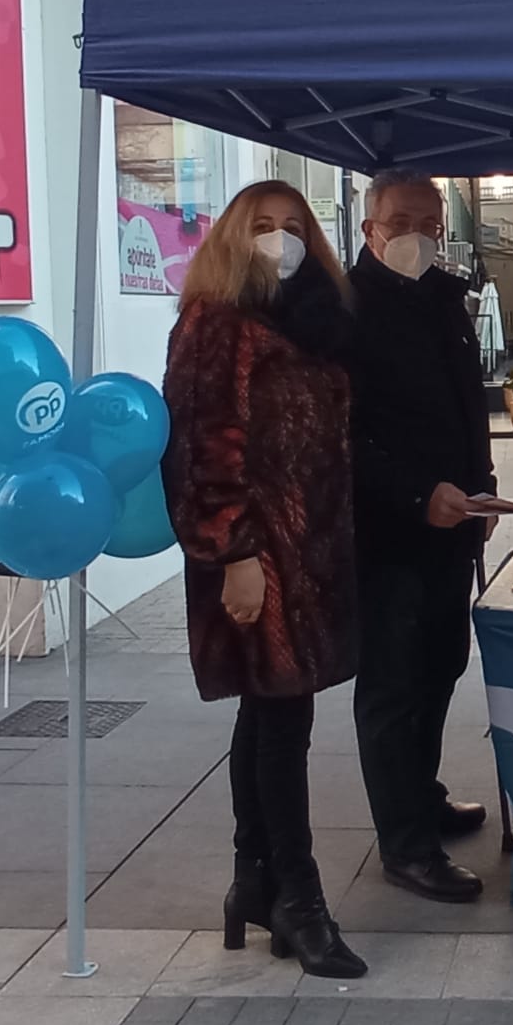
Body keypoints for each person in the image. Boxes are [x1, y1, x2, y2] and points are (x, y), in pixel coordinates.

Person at [161, 180, 365, 979]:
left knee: (272, 714)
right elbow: (204, 450)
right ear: (230, 240)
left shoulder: (310, 321)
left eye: (292, 227)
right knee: (283, 724)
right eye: (262, 227)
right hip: (256, 556)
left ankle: (255, 878)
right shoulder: (215, 325)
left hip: (307, 554)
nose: (280, 240)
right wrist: (235, 554)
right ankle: (299, 899)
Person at [338, 169, 496, 905]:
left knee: (440, 666)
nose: (419, 237)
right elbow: (341, 436)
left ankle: (421, 795)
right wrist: (413, 494)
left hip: (453, 527)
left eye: (431, 224)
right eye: (401, 222)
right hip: (388, 533)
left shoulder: (444, 298)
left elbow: (466, 404)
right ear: (370, 228)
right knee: (394, 686)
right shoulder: (345, 309)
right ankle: (404, 844)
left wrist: (481, 484)